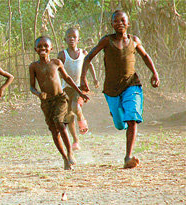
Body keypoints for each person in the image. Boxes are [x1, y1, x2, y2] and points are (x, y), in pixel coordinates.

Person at [80, 10, 160, 169]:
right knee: (119, 124)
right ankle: (116, 112)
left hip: (132, 84)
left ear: (128, 23)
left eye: (123, 21)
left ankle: (128, 157)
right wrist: (83, 79)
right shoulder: (106, 41)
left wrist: (155, 73)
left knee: (132, 119)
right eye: (115, 21)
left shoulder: (134, 40)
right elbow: (88, 57)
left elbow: (145, 56)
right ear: (111, 24)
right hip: (111, 89)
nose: (119, 24)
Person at [29, 36, 89, 170]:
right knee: (53, 130)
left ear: (51, 49)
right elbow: (32, 87)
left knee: (60, 123)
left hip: (60, 98)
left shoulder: (56, 63)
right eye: (40, 47)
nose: (43, 49)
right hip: (46, 102)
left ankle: (70, 153)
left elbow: (67, 78)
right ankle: (64, 158)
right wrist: (39, 94)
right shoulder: (33, 66)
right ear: (35, 49)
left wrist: (79, 92)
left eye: (46, 46)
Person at [58, 28, 99, 151]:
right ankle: (75, 141)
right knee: (69, 115)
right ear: (65, 39)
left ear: (78, 39)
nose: (71, 39)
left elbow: (89, 64)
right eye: (69, 37)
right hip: (66, 88)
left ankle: (82, 120)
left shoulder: (83, 53)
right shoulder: (62, 54)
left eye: (74, 37)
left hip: (80, 86)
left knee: (76, 107)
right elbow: (57, 69)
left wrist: (95, 78)